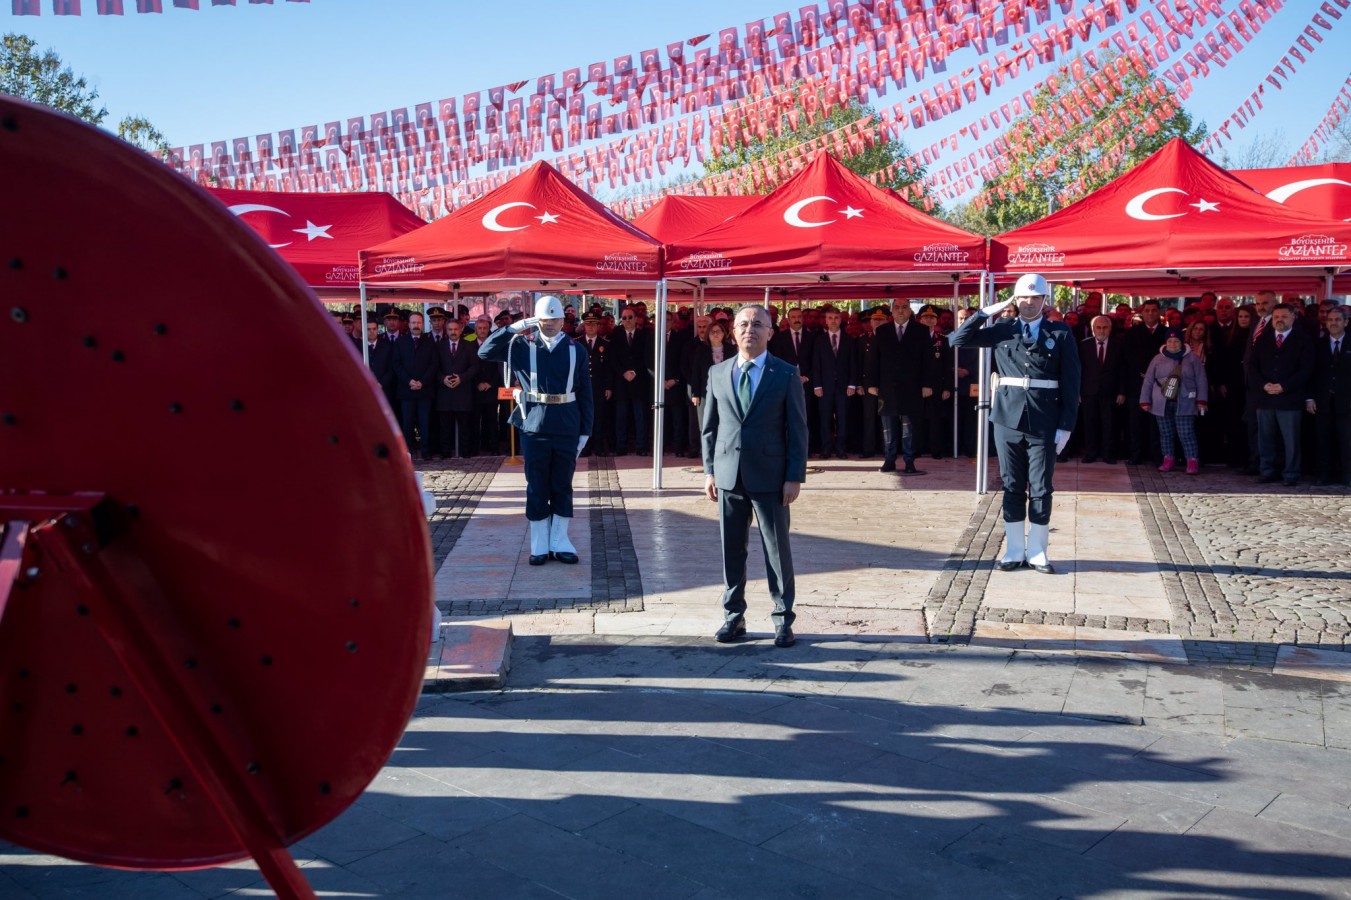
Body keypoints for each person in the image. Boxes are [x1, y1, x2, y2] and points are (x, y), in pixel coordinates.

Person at [949, 273, 1080, 574]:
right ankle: (1013, 550)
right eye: (1023, 297)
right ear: (1016, 300)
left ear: (1045, 301)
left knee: (1041, 487)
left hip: (1045, 420)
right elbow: (957, 339)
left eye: (1035, 298)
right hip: (1007, 419)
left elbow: (1072, 383)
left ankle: (1037, 552)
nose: (1029, 302)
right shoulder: (1003, 328)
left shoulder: (1060, 333)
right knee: (1011, 485)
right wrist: (984, 313)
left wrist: (1066, 426)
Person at [702, 305, 808, 648]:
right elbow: (710, 428)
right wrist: (709, 472)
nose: (751, 329)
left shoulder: (786, 373)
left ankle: (783, 619)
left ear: (770, 332)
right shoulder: (718, 373)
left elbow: (798, 429)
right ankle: (733, 617)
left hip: (771, 478)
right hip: (729, 478)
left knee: (777, 551)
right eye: (744, 324)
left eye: (758, 324)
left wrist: (794, 476)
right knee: (731, 551)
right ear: (733, 332)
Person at [478, 296, 593, 564]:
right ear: (536, 320)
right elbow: (484, 352)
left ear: (563, 321)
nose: (550, 324)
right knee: (537, 485)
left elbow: (586, 393)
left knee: (562, 484)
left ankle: (560, 541)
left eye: (554, 319)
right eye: (544, 319)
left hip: (566, 424)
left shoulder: (576, 349)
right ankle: (539, 544)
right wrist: (516, 327)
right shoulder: (521, 346)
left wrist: (586, 430)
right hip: (534, 424)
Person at [1247, 302, 1315, 487]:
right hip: (1265, 397)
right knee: (1265, 439)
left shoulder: (1303, 339)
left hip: (1290, 399)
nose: (1280, 320)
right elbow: (1252, 366)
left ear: (1293, 317)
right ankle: (1267, 471)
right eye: (1276, 317)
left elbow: (1306, 369)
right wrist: (1263, 385)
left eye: (1284, 316)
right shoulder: (1263, 338)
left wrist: (1284, 386)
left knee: (1291, 441)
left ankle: (1291, 473)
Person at [866, 299, 933, 474]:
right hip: (887, 387)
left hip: (912, 387)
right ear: (891, 311)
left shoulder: (921, 330)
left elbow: (927, 360)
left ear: (910, 311)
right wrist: (871, 383)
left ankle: (909, 461)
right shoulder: (881, 331)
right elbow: (873, 359)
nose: (900, 311)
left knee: (909, 427)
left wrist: (927, 384)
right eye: (897, 308)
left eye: (904, 307)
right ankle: (889, 460)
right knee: (888, 427)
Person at [1140, 328, 1208, 475]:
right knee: (1165, 433)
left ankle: (1191, 460)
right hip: (1161, 402)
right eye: (1170, 341)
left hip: (1185, 401)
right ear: (1165, 342)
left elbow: (1201, 379)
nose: (1173, 344)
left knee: (1186, 433)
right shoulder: (1157, 358)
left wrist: (1202, 399)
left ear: (1181, 342)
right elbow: (1148, 380)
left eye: (1176, 341)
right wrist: (1144, 400)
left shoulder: (1192, 358)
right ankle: (1168, 459)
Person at [1308, 305, 1351, 486]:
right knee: (1323, 440)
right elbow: (1309, 373)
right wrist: (1309, 398)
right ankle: (1323, 475)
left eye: (1338, 320)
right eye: (1330, 320)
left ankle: (1348, 476)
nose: (1334, 323)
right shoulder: (1317, 345)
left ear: (1346, 322)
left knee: (1347, 441)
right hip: (1322, 401)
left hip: (1347, 402)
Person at [809, 306, 859, 459]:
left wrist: (852, 384)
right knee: (825, 419)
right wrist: (817, 385)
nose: (833, 321)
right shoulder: (819, 340)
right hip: (824, 387)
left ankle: (841, 448)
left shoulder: (849, 339)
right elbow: (816, 364)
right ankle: (826, 449)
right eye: (830, 318)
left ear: (841, 319)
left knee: (843, 419)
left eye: (836, 318)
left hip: (844, 387)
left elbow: (853, 363)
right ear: (825, 320)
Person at [1077, 315, 1125, 464]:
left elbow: (1124, 370)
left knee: (1109, 424)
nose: (1102, 330)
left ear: (1110, 329)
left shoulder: (1119, 345)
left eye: (1105, 327)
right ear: (1093, 329)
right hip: (1088, 391)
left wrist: (1122, 391)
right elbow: (1078, 370)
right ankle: (1091, 453)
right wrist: (1078, 392)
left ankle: (1108, 454)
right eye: (1098, 327)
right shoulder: (1083, 345)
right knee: (1090, 424)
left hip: (1110, 392)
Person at [393, 311, 439, 461]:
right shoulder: (400, 342)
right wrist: (409, 381)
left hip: (424, 389)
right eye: (413, 322)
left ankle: (426, 451)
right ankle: (408, 451)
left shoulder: (429, 342)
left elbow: (434, 364)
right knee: (407, 422)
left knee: (424, 421)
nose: (416, 325)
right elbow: (397, 364)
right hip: (407, 389)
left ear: (423, 324)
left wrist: (422, 382)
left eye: (419, 322)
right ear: (408, 323)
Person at [435, 318, 480, 459]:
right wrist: (442, 379)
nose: (453, 332)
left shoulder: (469, 346)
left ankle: (466, 452)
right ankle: (445, 452)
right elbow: (433, 367)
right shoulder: (439, 346)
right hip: (445, 392)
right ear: (446, 331)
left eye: (455, 329)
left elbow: (475, 367)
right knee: (445, 427)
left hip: (463, 391)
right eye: (450, 329)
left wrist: (462, 377)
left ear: (460, 330)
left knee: (465, 426)